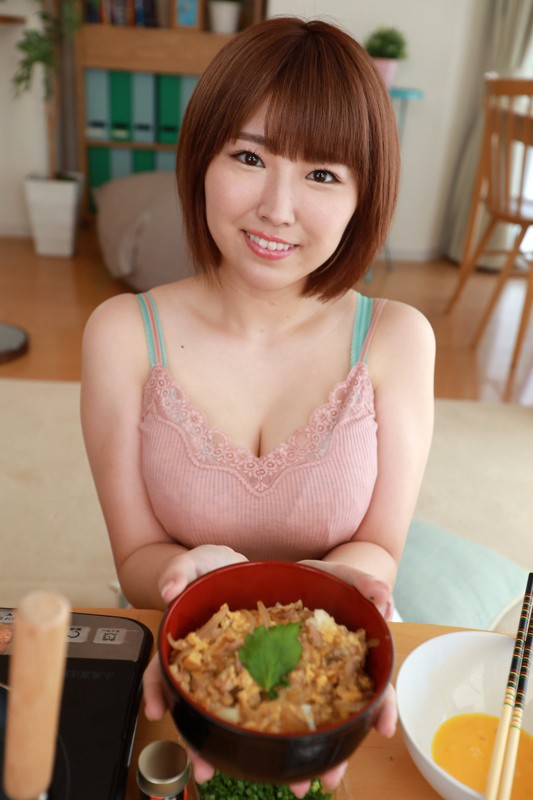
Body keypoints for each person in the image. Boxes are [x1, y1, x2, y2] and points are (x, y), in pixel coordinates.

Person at [81, 16, 435, 796]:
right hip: (182, 639)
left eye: (322, 174)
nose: (277, 208)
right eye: (248, 157)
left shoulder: (397, 339)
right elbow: (136, 560)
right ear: (200, 160)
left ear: (363, 196)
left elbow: (379, 548)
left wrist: (321, 643)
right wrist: (191, 578)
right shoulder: (121, 334)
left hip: (343, 641)